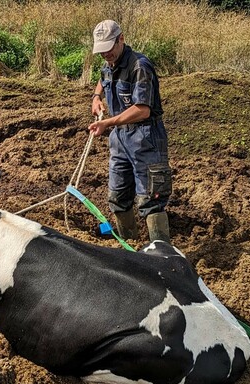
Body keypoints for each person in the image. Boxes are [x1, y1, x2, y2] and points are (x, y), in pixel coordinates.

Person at [88, 19, 172, 243]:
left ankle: (162, 253)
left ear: (121, 40)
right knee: (117, 197)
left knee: (150, 200)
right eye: (101, 51)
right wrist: (97, 97)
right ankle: (129, 245)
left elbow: (142, 110)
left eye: (109, 49)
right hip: (120, 140)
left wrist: (108, 123)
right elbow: (103, 78)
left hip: (146, 138)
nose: (106, 55)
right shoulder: (109, 63)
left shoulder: (139, 66)